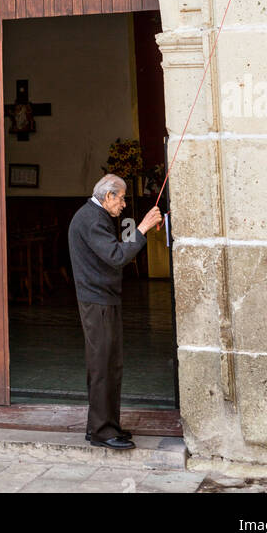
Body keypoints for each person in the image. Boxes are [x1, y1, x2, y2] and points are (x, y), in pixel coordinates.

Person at [67, 173, 164, 449]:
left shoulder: (94, 217)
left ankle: (102, 425)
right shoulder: (91, 219)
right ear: (108, 196)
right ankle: (101, 431)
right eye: (120, 198)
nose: (123, 204)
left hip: (103, 299)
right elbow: (117, 256)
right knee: (102, 365)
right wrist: (143, 228)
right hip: (97, 301)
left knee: (109, 364)